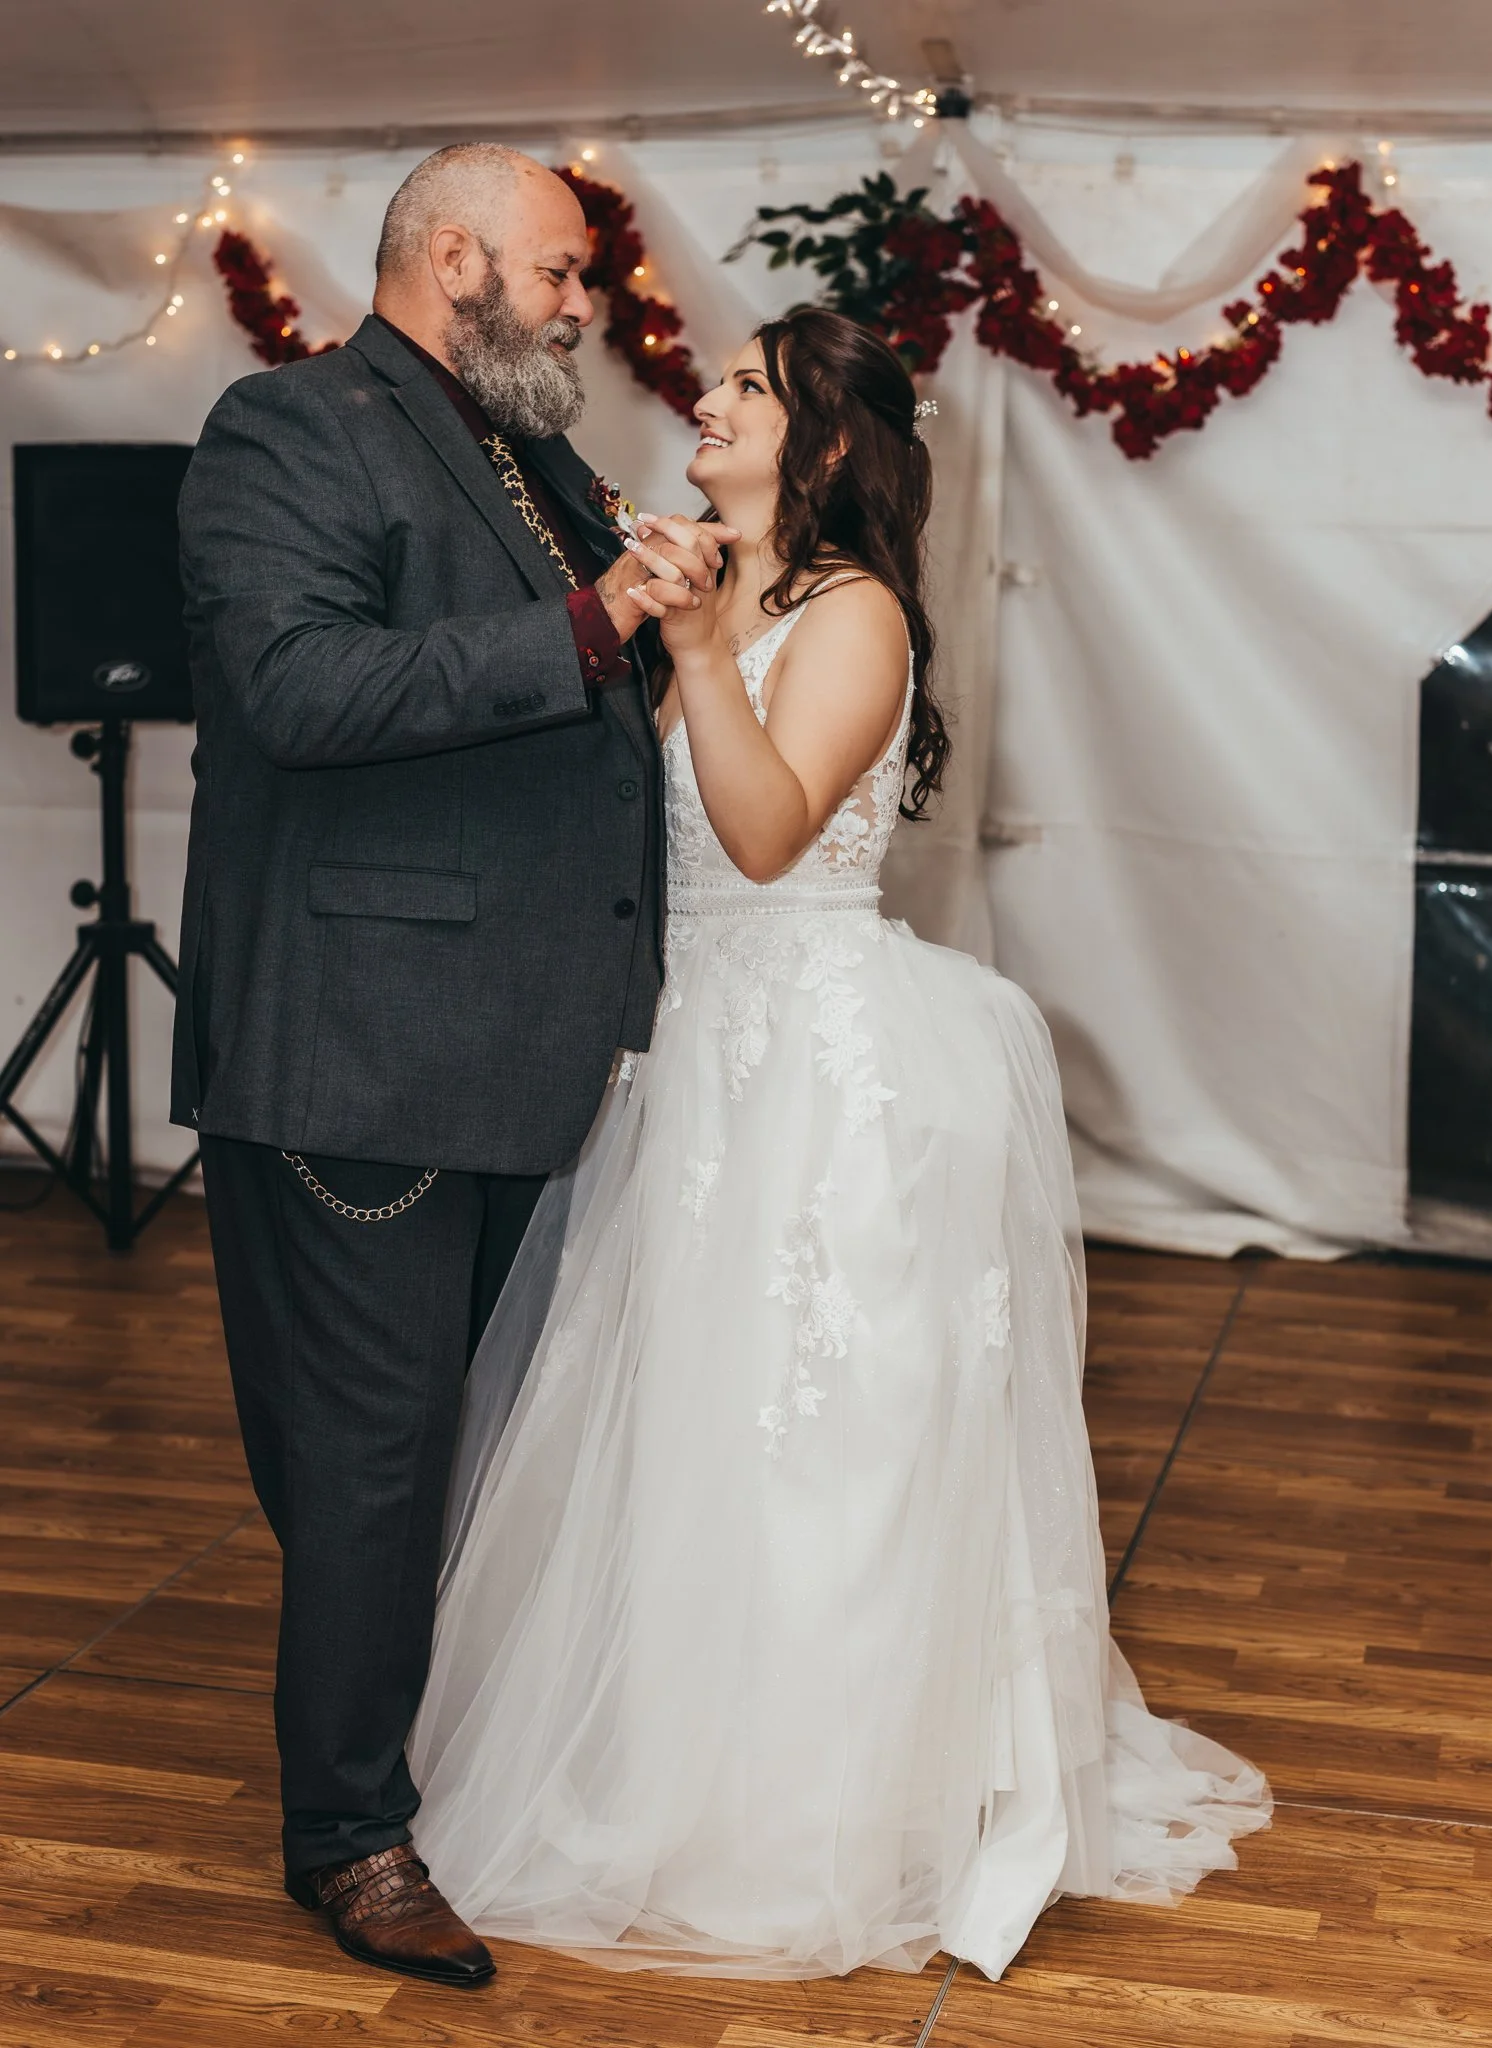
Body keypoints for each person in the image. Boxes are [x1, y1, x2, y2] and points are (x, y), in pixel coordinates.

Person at [407, 307, 1271, 1982]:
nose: (706, 399)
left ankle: (819, 1804)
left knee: (812, 1432)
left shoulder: (853, 610)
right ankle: (663, 1761)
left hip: (816, 1067)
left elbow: (762, 831)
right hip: (685, 1059)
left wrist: (696, 649)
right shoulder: (707, 585)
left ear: (815, 443)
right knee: (679, 1426)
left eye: (745, 387)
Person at [172, 144, 728, 1986]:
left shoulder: (526, 451)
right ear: (458, 259)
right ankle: (344, 1837)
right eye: (562, 273)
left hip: (507, 1040)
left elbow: (568, 712)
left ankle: (401, 1758)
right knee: (371, 1459)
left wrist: (652, 614)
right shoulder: (293, 428)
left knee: (433, 1450)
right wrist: (593, 621)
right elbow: (298, 690)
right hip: (364, 1043)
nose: (586, 307)